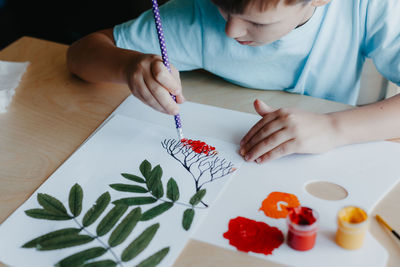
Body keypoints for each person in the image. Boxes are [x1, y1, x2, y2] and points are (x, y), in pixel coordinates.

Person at [67, 0, 400, 164]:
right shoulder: (194, 17)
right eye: (223, 8)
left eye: (255, 21)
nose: (231, 31)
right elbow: (81, 54)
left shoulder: (366, 7)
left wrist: (335, 129)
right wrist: (126, 66)